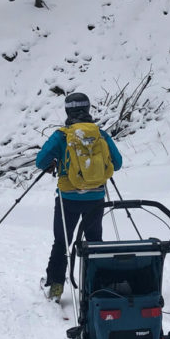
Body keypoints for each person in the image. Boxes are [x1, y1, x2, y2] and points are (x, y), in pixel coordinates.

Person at [35, 92, 122, 300]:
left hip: (68, 198)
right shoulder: (100, 134)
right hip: (96, 198)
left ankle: (55, 286)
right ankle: (96, 285)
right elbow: (117, 163)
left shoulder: (61, 135)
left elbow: (40, 161)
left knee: (62, 242)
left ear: (67, 111)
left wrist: (54, 162)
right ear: (88, 109)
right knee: (94, 241)